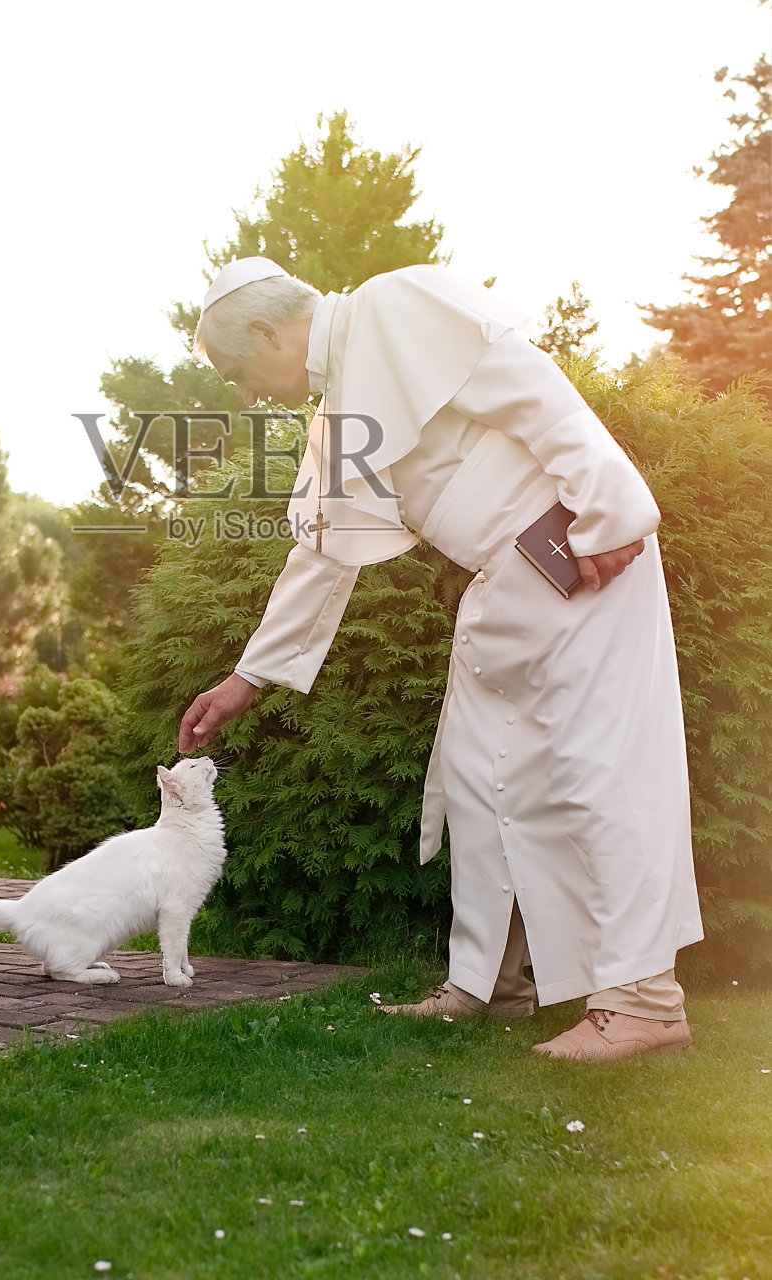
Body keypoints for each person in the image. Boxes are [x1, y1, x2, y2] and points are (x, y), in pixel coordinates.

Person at [177, 257, 703, 1061]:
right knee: (478, 779)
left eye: (238, 374)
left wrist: (610, 512)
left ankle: (643, 1002)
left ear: (265, 333)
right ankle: (489, 983)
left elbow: (535, 391)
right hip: (509, 586)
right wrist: (245, 679)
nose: (249, 396)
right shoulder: (334, 415)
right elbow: (323, 556)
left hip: (582, 555)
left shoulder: (392, 305)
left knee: (599, 770)